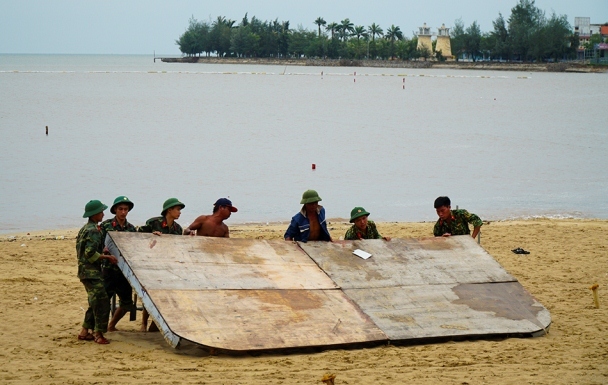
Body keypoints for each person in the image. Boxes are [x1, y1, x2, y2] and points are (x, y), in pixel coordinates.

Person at [137, 197, 185, 331]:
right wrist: (150, 235)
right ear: (169, 210)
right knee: (149, 294)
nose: (180, 212)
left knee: (163, 295)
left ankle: (155, 323)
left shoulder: (177, 228)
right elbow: (136, 236)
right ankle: (143, 323)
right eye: (177, 210)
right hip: (151, 263)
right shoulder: (154, 223)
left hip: (167, 265)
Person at [76, 199, 118, 345]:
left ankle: (84, 331)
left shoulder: (85, 228)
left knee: (94, 301)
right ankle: (98, 333)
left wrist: (103, 250)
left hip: (84, 272)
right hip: (91, 273)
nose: (103, 214)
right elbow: (89, 253)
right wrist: (107, 256)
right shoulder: (93, 230)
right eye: (101, 212)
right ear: (94, 214)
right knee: (102, 302)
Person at [99, 196, 136, 332]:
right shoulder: (106, 226)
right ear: (115, 210)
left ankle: (111, 325)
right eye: (120, 209)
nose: (123, 212)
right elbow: (98, 243)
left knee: (127, 304)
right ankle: (98, 328)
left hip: (123, 271)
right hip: (108, 270)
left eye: (126, 209)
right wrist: (104, 249)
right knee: (102, 301)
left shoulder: (131, 229)